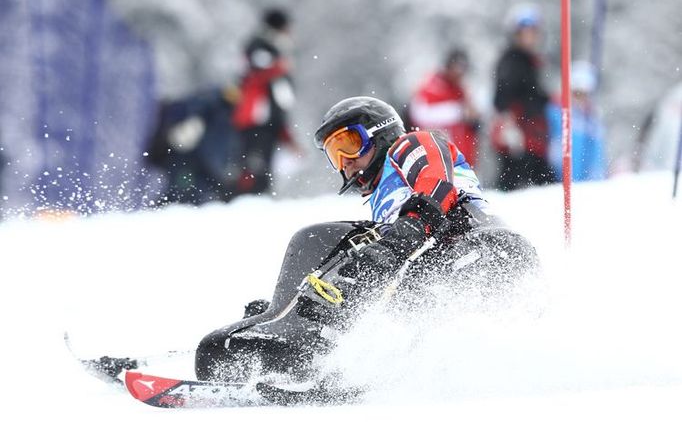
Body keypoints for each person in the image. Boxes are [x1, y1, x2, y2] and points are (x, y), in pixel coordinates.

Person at [194, 96, 538, 387]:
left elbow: (437, 184)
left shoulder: (411, 146)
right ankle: (300, 329)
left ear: (379, 134)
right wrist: (293, 301)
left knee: (319, 239)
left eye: (349, 145)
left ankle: (292, 331)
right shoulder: (384, 208)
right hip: (447, 275)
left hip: (483, 251)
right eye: (334, 155)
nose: (345, 163)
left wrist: (405, 232)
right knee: (362, 262)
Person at [230, 7, 300, 197]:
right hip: (256, 116)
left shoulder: (270, 46)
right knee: (254, 162)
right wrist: (280, 67)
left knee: (262, 162)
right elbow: (259, 72)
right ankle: (247, 197)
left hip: (266, 117)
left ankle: (256, 195)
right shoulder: (260, 45)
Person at [491, 4, 555, 190]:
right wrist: (508, 122)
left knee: (540, 183)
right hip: (519, 136)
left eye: (532, 33)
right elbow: (503, 96)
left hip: (534, 137)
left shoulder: (531, 61)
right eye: (523, 33)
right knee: (516, 185)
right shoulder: (512, 60)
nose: (529, 38)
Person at [409, 48, 481, 167]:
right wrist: (459, 112)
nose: (459, 74)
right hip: (436, 158)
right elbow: (421, 114)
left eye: (463, 70)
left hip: (461, 160)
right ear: (448, 66)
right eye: (456, 69)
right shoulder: (432, 84)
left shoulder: (461, 89)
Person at [546, 61, 607, 181]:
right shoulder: (556, 112)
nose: (581, 98)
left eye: (585, 94)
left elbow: (597, 156)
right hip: (558, 180)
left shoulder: (593, 121)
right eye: (577, 93)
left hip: (586, 183)